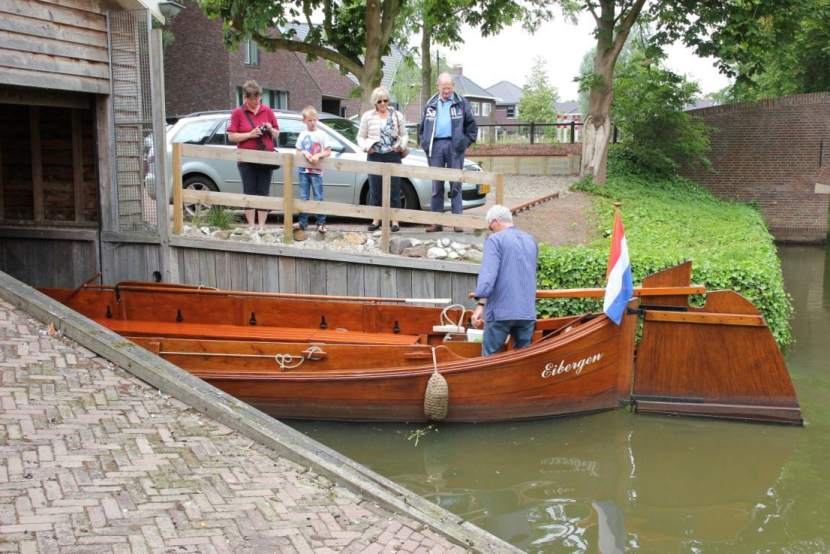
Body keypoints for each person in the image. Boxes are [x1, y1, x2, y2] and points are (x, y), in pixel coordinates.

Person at [471, 205, 538, 356]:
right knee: (523, 360)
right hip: (527, 312)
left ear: (495, 221)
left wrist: (480, 305)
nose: (490, 229)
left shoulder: (495, 240)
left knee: (489, 360)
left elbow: (488, 274)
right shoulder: (530, 240)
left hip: (501, 311)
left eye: (490, 226)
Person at [419, 72, 478, 233]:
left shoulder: (461, 103)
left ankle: (457, 221)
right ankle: (436, 222)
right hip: (435, 147)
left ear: (453, 87)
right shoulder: (430, 103)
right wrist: (425, 144)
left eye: (449, 88)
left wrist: (462, 144)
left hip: (454, 147)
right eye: (443, 88)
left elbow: (472, 128)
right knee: (436, 186)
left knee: (456, 185)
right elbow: (422, 127)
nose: (446, 92)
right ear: (438, 86)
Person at [227, 80, 279, 230]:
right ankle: (251, 226)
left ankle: (262, 227)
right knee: (249, 191)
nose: (255, 102)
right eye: (252, 99)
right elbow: (231, 136)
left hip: (266, 158)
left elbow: (276, 134)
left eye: (257, 98)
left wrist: (270, 129)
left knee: (263, 192)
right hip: (246, 159)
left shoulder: (267, 111)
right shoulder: (238, 113)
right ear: (245, 97)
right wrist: (250, 134)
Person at [357, 86, 407, 233]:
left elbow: (404, 135)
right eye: (380, 101)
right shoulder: (368, 116)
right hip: (375, 155)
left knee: (395, 189)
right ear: (375, 102)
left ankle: (395, 221)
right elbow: (360, 136)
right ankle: (376, 220)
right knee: (375, 189)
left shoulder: (397, 115)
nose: (383, 104)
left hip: (393, 155)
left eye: (385, 100)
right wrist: (366, 147)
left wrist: (401, 146)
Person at [295, 106, 332, 234]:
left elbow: (328, 151)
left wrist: (318, 155)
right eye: (309, 120)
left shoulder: (322, 135)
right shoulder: (302, 135)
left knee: (318, 196)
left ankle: (321, 223)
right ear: (304, 121)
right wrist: (305, 153)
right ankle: (302, 223)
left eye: (314, 120)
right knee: (303, 197)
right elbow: (298, 151)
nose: (312, 123)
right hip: (303, 171)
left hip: (316, 171)